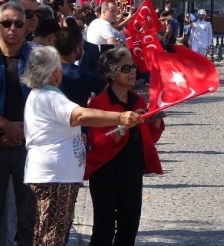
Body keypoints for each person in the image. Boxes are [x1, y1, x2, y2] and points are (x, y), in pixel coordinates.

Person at [21, 46, 142, 246]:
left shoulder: (40, 95)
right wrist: (120, 117)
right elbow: (80, 115)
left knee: (46, 231)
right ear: (55, 72)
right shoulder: (51, 97)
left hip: (52, 174)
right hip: (56, 176)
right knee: (53, 234)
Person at [84, 48, 166, 245]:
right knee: (104, 228)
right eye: (126, 68)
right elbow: (97, 143)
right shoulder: (98, 103)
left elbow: (148, 139)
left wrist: (154, 121)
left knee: (129, 227)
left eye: (134, 67)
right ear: (111, 73)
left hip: (132, 171)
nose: (133, 72)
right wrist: (122, 128)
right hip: (105, 172)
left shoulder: (137, 99)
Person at [0, 2, 35, 246]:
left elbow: (48, 98)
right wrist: (5, 125)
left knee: (28, 213)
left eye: (18, 24)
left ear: (25, 29)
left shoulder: (37, 59)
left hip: (28, 144)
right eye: (6, 23)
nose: (12, 28)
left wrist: (20, 130)